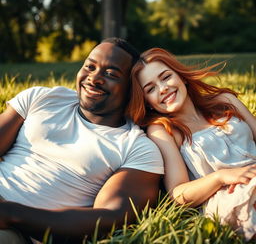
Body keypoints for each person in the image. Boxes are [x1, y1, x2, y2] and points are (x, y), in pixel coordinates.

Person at [0, 38, 164, 243]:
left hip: (21, 231)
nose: (94, 78)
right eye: (90, 67)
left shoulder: (136, 147)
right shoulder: (43, 98)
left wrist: (11, 214)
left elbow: (109, 218)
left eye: (111, 74)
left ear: (132, 89)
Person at [127, 47, 256, 240]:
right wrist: (221, 177)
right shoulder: (164, 131)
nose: (163, 88)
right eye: (151, 89)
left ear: (181, 77)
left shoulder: (225, 101)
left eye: (166, 77)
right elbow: (178, 194)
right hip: (228, 195)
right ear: (147, 102)